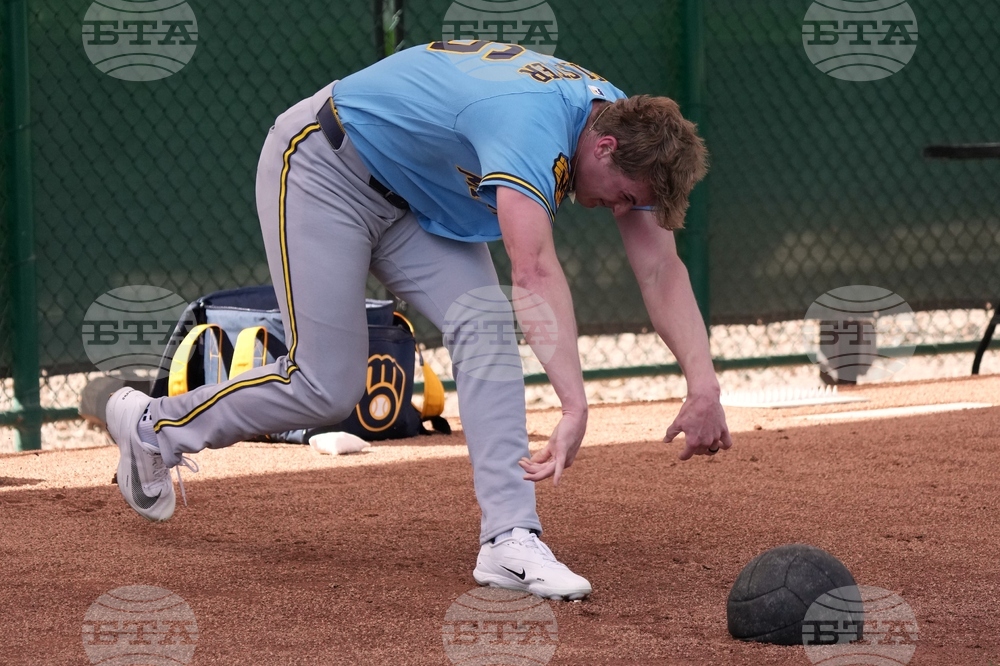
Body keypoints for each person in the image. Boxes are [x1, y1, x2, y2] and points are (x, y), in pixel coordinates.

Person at [106, 40, 733, 602]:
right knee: (326, 383)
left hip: (420, 201)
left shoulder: (622, 121)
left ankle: (509, 541)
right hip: (326, 166)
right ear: (604, 148)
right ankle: (153, 427)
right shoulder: (532, 125)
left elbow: (660, 269)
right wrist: (574, 405)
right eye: (624, 195)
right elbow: (534, 271)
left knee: (485, 329)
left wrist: (703, 384)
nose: (619, 210)